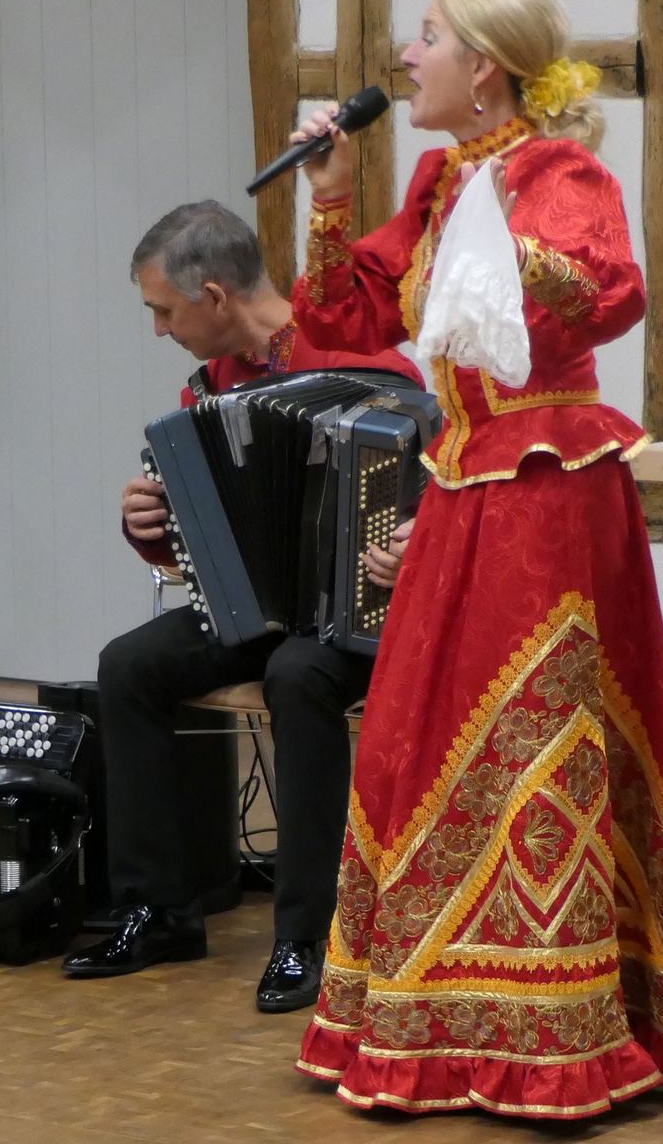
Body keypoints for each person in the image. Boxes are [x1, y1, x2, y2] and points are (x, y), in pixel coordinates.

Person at [292, 0, 663, 1118]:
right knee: (421, 734)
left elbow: (608, 294)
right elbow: (341, 321)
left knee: (535, 734)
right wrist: (329, 200)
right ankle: (439, 1013)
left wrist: (512, 242)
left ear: (482, 65)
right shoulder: (440, 182)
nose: (406, 56)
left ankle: (554, 1023)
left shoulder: (557, 174)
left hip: (544, 488)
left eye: (427, 37)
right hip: (463, 487)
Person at [60, 200, 423, 1012]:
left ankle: (308, 935)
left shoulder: (369, 364)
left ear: (216, 296)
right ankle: (157, 910)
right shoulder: (211, 389)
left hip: (362, 615)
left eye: (165, 310)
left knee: (299, 673)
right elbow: (198, 545)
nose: (160, 329)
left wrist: (413, 539)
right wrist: (149, 525)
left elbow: (443, 496)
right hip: (255, 609)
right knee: (130, 665)